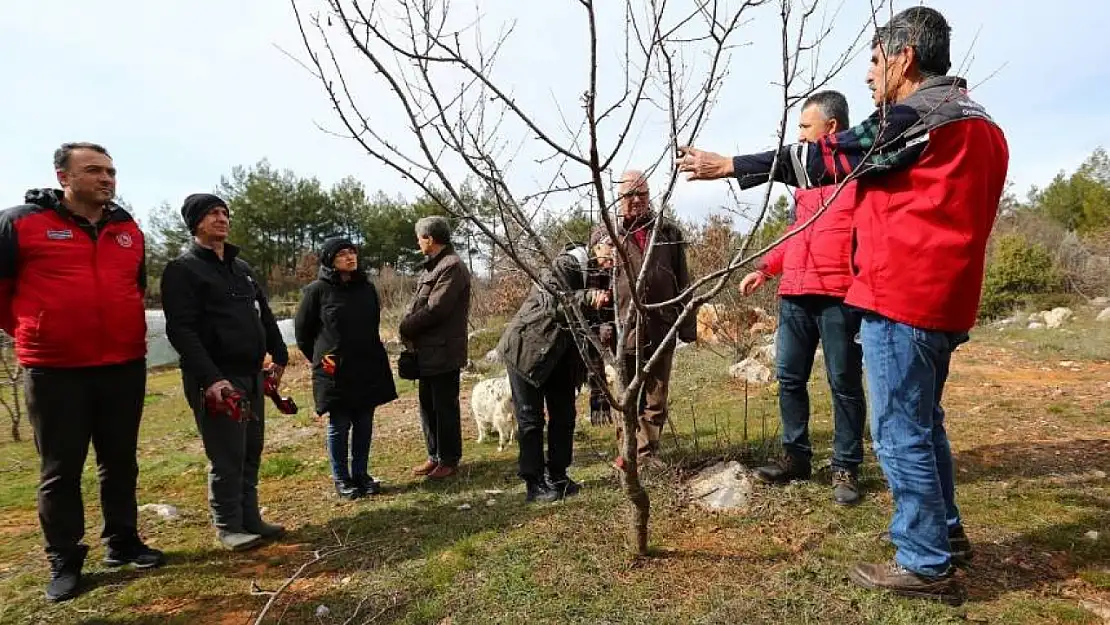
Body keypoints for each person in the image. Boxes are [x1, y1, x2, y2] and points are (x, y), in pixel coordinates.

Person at [676, 6, 1008, 604]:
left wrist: (732, 165)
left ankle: (925, 561)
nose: (869, 77)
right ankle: (947, 536)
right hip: (946, 299)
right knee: (925, 425)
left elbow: (826, 157)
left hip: (901, 296)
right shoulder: (980, 121)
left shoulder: (918, 117)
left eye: (876, 61)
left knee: (899, 431)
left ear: (904, 57)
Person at [0, 142, 163, 601]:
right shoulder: (20, 223)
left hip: (123, 365)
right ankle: (65, 562)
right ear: (63, 176)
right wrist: (37, 333)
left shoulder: (127, 228)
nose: (107, 179)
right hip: (55, 371)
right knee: (61, 470)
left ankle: (123, 542)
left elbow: (135, 288)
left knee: (120, 462)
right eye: (94, 170)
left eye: (111, 171)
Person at [741, 91, 868, 507]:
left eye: (803, 127)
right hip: (794, 294)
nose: (798, 135)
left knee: (844, 383)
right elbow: (796, 235)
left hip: (839, 297)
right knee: (790, 380)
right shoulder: (804, 183)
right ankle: (796, 458)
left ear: (831, 128)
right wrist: (765, 268)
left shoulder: (860, 176)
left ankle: (846, 466)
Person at [161, 193, 290, 552]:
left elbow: (263, 315)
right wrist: (211, 378)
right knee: (226, 453)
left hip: (250, 373)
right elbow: (181, 331)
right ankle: (228, 525)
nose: (221, 219)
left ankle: (251, 518)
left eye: (224, 213)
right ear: (195, 223)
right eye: (211, 214)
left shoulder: (241, 269)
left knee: (251, 449)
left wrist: (279, 355)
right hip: (217, 379)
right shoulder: (183, 270)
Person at [497, 243, 610, 502]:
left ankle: (558, 475)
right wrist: (588, 297)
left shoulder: (602, 275)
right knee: (530, 419)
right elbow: (553, 302)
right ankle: (534, 483)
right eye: (610, 248)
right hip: (527, 350)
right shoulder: (566, 263)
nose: (614, 255)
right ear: (597, 245)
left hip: (559, 356)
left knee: (564, 415)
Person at [295, 237, 398, 500]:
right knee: (339, 424)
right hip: (335, 370)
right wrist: (324, 358)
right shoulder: (316, 291)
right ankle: (342, 479)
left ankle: (361, 474)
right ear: (330, 260)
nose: (350, 257)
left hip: (366, 364)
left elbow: (372, 323)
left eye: (352, 252)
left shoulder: (366, 288)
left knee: (364, 422)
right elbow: (304, 336)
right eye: (342, 254)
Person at [609, 170, 696, 461]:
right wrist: (601, 329)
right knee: (626, 397)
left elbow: (683, 280)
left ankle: (646, 452)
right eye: (629, 194)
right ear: (618, 197)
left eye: (642, 193)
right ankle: (629, 453)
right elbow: (594, 285)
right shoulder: (605, 235)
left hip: (662, 326)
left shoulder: (668, 232)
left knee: (656, 397)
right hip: (624, 329)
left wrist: (687, 327)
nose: (636, 200)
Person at [400, 216, 472, 480]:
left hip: (444, 351)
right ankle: (434, 456)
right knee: (427, 405)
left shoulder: (452, 266)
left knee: (444, 407)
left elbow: (436, 309)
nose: (417, 242)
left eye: (419, 237)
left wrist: (406, 327)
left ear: (429, 239)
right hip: (427, 351)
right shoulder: (432, 266)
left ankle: (449, 459)